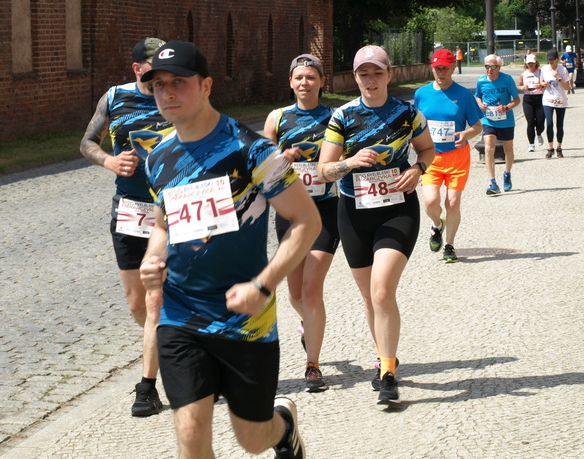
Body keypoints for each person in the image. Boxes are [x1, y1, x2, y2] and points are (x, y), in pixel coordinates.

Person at [139, 41, 320, 459]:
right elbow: (163, 224)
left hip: (245, 318)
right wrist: (152, 258)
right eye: (159, 84)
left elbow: (307, 221)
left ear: (206, 86)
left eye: (179, 83)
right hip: (181, 313)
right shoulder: (157, 158)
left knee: (253, 440)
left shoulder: (252, 149)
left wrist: (263, 285)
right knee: (190, 431)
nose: (167, 93)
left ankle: (283, 427)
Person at [317, 45, 435, 406]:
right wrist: (350, 162)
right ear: (355, 78)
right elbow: (324, 170)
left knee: (382, 291)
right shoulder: (342, 116)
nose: (371, 80)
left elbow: (428, 150)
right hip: (353, 212)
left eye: (377, 73)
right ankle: (384, 355)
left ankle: (387, 373)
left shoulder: (408, 113)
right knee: (370, 297)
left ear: (389, 75)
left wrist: (418, 169)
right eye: (363, 74)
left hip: (397, 209)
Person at [79, 37, 173, 418]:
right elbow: (87, 142)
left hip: (170, 210)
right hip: (130, 210)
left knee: (155, 300)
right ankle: (179, 348)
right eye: (153, 67)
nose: (162, 75)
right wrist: (110, 162)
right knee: (138, 303)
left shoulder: (175, 96)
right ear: (137, 68)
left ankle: (148, 387)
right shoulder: (115, 98)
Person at [263, 54, 339, 392]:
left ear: (322, 81)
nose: (304, 83)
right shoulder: (277, 118)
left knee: (311, 288)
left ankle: (313, 365)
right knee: (294, 293)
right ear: (290, 83)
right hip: (290, 214)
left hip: (325, 212)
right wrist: (282, 158)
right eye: (299, 77)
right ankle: (309, 323)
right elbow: (261, 165)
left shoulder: (335, 118)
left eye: (311, 77)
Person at [414, 48, 483, 263]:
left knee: (452, 203)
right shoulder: (421, 94)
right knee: (430, 202)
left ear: (453, 68)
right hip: (430, 157)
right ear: (432, 68)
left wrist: (466, 134)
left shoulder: (464, 95)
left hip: (457, 157)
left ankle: (450, 245)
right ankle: (437, 225)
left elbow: (477, 126)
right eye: (437, 69)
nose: (441, 73)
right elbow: (414, 125)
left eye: (445, 68)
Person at [474, 54, 521, 194]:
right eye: (487, 66)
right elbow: (477, 96)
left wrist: (506, 107)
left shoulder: (507, 79)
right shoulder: (481, 81)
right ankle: (492, 182)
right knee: (488, 148)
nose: (489, 69)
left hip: (506, 120)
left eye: (493, 67)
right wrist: (480, 104)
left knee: (508, 149)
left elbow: (517, 100)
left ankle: (507, 173)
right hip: (488, 120)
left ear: (499, 67)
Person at [540, 49, 570, 158]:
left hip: (560, 100)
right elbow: (541, 82)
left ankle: (559, 147)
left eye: (553, 59)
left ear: (557, 59)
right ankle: (550, 148)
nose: (551, 61)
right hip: (548, 100)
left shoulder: (563, 69)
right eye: (549, 60)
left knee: (559, 124)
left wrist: (559, 78)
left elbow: (567, 87)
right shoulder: (544, 69)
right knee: (549, 123)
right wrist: (543, 84)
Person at [516, 54, 545, 152]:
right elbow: (518, 86)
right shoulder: (523, 74)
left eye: (532, 63)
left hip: (540, 98)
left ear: (536, 63)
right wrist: (523, 87)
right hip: (528, 99)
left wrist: (541, 85)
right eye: (529, 63)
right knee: (530, 121)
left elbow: (546, 83)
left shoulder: (541, 72)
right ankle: (531, 144)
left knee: (540, 122)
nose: (530, 65)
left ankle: (539, 133)